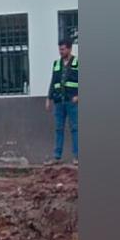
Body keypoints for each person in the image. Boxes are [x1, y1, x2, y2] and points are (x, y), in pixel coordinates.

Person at [44, 36, 79, 164]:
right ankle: (57, 156)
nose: (61, 52)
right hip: (59, 102)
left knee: (75, 128)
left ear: (69, 49)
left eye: (63, 49)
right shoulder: (56, 64)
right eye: (60, 49)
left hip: (72, 101)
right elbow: (53, 81)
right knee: (59, 129)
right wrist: (49, 98)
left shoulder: (77, 63)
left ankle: (77, 157)